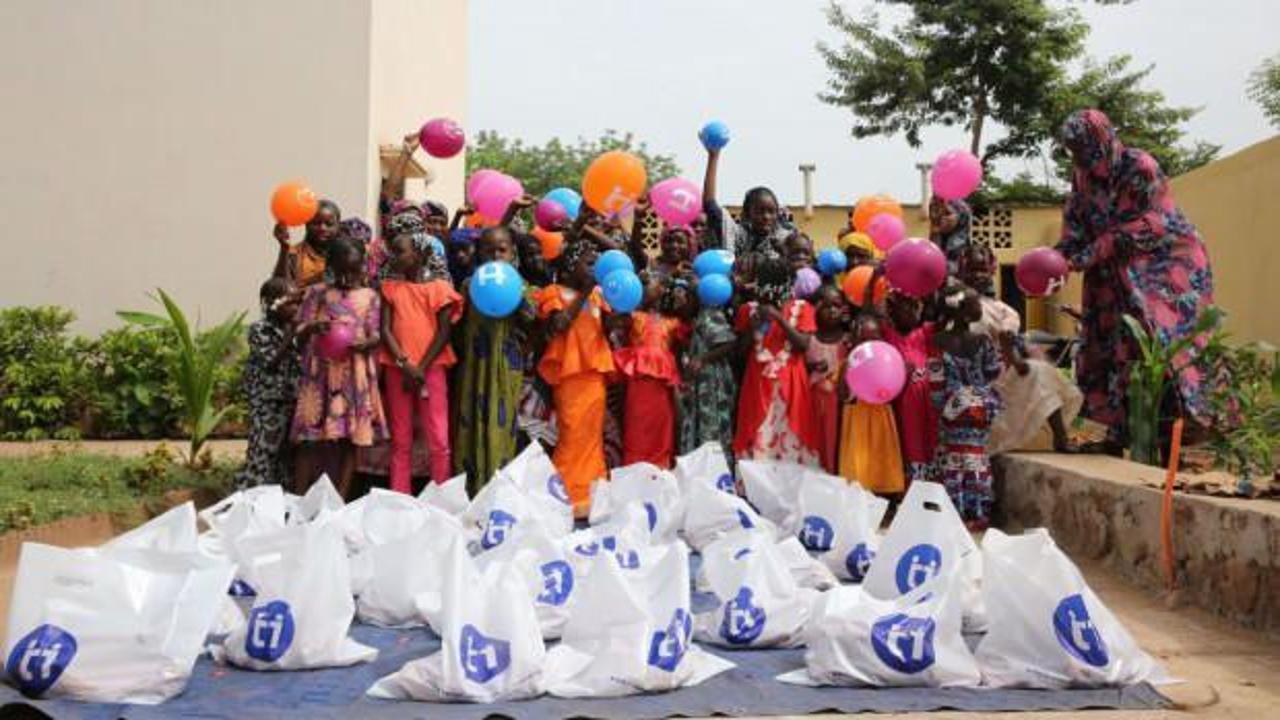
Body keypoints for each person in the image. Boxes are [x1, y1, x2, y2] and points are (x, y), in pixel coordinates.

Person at [1056, 109, 1216, 453]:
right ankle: (1104, 435)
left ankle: (1185, 429)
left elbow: (1148, 225)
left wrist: (1086, 255)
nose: (1084, 159)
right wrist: (1057, 260)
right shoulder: (1082, 176)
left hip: (1162, 264)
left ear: (1105, 138)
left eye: (1087, 149)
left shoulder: (1139, 167)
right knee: (1100, 341)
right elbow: (1076, 226)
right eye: (1076, 152)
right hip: (1110, 266)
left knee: (1155, 338)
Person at [958, 245, 1082, 453]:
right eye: (971, 270)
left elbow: (1019, 366)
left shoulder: (1005, 312)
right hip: (960, 386)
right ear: (961, 272)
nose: (978, 275)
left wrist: (1009, 351)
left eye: (982, 269)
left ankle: (1060, 438)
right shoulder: (951, 304)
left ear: (992, 270)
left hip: (997, 386)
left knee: (1039, 370)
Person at [290, 236, 387, 498]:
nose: (347, 277)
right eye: (342, 270)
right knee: (309, 438)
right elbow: (298, 330)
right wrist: (312, 327)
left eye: (353, 270)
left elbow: (377, 333)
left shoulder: (370, 296)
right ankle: (300, 499)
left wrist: (365, 343)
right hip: (319, 373)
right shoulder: (316, 293)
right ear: (331, 266)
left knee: (349, 439)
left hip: (353, 374)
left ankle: (340, 500)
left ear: (362, 267)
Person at [452, 226, 535, 493]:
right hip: (474, 367)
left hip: (505, 368)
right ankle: (470, 491)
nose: (496, 255)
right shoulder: (468, 284)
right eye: (489, 250)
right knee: (471, 424)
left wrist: (519, 297)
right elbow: (457, 325)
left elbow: (532, 320)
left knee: (502, 427)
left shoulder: (521, 286)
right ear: (480, 253)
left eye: (502, 249)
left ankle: (500, 491)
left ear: (512, 253)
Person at [536, 238, 615, 515]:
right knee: (571, 435)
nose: (595, 269)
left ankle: (594, 492)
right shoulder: (553, 291)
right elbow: (557, 325)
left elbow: (610, 328)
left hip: (594, 373)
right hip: (570, 375)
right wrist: (583, 292)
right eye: (590, 263)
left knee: (592, 436)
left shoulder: (597, 296)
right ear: (571, 265)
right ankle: (566, 493)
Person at [379, 232, 463, 492]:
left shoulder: (441, 290)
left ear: (420, 254)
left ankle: (443, 496)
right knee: (400, 438)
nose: (394, 257)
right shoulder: (390, 289)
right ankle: (399, 497)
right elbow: (385, 330)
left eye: (400, 251)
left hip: (431, 369)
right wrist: (405, 364)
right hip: (398, 370)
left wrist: (420, 368)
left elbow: (444, 332)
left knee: (438, 437)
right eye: (392, 251)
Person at [732, 253, 819, 464]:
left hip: (792, 382)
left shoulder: (803, 308)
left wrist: (780, 318)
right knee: (758, 435)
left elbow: (803, 345)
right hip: (757, 383)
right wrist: (752, 327)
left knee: (792, 435)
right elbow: (739, 354)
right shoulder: (747, 310)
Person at [933, 284, 1002, 530]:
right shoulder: (982, 341)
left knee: (952, 460)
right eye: (976, 303)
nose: (981, 307)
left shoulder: (938, 341)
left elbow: (936, 381)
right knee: (976, 460)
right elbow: (993, 372)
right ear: (964, 313)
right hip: (979, 411)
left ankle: (955, 510)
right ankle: (978, 510)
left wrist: (945, 405)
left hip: (950, 411)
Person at [614, 273, 688, 468]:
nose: (644, 286)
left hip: (663, 387)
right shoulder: (633, 316)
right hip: (638, 385)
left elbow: (679, 354)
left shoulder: (673, 322)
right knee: (636, 428)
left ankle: (660, 470)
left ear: (663, 289)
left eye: (649, 283)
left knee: (662, 429)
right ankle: (634, 471)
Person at [236, 278, 302, 488]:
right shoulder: (260, 329)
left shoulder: (297, 329)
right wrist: (291, 335)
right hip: (267, 402)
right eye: (290, 303)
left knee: (285, 457)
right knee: (262, 453)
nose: (295, 308)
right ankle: (250, 497)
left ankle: (279, 502)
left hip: (290, 399)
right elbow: (271, 362)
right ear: (271, 303)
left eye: (296, 303)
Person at [839, 314, 906, 495]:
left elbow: (894, 390)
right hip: (858, 422)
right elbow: (843, 396)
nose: (869, 345)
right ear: (855, 340)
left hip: (881, 418)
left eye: (874, 338)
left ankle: (885, 498)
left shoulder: (887, 360)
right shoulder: (848, 363)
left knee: (881, 460)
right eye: (863, 339)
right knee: (859, 466)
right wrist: (848, 369)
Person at [882, 290, 939, 485]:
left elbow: (940, 313)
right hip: (904, 403)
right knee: (909, 443)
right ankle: (910, 490)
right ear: (893, 310)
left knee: (930, 442)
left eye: (916, 307)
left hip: (928, 403)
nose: (913, 312)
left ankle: (931, 487)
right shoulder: (888, 335)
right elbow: (871, 313)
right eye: (907, 307)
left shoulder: (925, 332)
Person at [678, 275, 737, 463]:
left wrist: (702, 359)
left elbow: (728, 342)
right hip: (702, 381)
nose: (684, 301)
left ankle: (714, 470)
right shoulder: (700, 317)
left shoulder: (709, 315)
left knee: (712, 426)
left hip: (712, 381)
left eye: (688, 297)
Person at [701, 144, 793, 257]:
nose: (766, 216)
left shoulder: (787, 239)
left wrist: (783, 251)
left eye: (771, 211)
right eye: (760, 211)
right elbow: (710, 205)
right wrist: (713, 157)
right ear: (747, 214)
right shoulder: (738, 235)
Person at [806, 284, 850, 473]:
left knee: (838, 446)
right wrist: (811, 367)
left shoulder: (849, 340)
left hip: (842, 408)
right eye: (826, 306)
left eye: (837, 305)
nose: (832, 311)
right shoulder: (808, 340)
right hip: (813, 409)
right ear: (815, 309)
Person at [273, 199, 341, 288]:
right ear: (307, 224)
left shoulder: (345, 254)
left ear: (338, 226)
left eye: (329, 224)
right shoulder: (294, 253)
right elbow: (279, 289)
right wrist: (284, 248)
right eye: (316, 223)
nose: (322, 228)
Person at [928, 196, 976, 282]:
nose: (939, 217)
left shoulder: (967, 255)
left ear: (961, 217)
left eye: (947, 213)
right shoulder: (930, 247)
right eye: (935, 212)